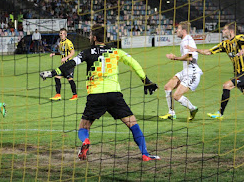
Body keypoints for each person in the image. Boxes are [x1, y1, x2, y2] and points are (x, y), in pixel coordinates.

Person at [40, 24, 160, 161]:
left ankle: (85, 142)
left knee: (83, 127)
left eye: (91, 35)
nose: (90, 37)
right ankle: (145, 154)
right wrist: (146, 80)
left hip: (95, 95)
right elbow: (134, 63)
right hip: (114, 95)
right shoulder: (116, 51)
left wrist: (52, 72)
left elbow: (71, 64)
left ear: (95, 37)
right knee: (133, 124)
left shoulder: (87, 52)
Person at [186, 23, 244, 121]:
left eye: (224, 29)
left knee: (226, 85)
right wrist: (196, 50)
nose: (222, 31)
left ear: (231, 31)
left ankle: (220, 113)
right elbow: (209, 52)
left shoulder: (237, 39)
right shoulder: (225, 44)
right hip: (238, 74)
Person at [159, 21, 202, 121]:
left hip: (192, 72)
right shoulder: (185, 40)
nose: (176, 31)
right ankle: (171, 113)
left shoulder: (188, 41)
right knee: (168, 86)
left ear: (183, 31)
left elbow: (190, 57)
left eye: (178, 29)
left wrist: (175, 58)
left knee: (177, 96)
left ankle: (193, 109)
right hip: (185, 71)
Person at [49, 28, 77, 101]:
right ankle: (58, 95)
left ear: (66, 34)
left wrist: (66, 58)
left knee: (70, 79)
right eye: (60, 33)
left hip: (69, 64)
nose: (61, 35)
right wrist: (54, 54)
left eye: (63, 33)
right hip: (63, 65)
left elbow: (73, 52)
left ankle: (75, 95)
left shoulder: (68, 42)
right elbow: (62, 52)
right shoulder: (60, 43)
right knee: (57, 77)